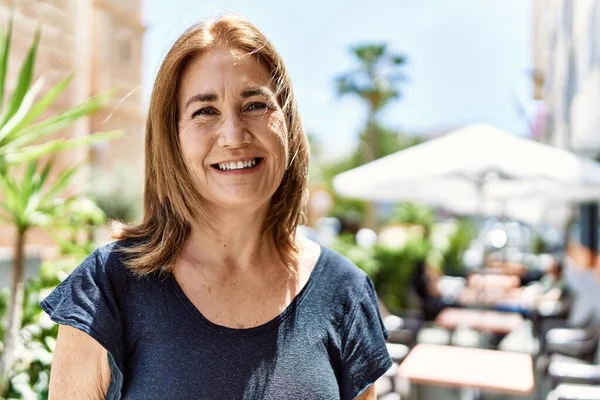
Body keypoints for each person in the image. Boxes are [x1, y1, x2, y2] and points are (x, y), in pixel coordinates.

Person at [40, 15, 391, 399]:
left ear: (287, 124)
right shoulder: (109, 287)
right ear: (172, 139)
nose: (234, 135)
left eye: (255, 105)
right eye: (205, 111)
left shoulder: (344, 290)